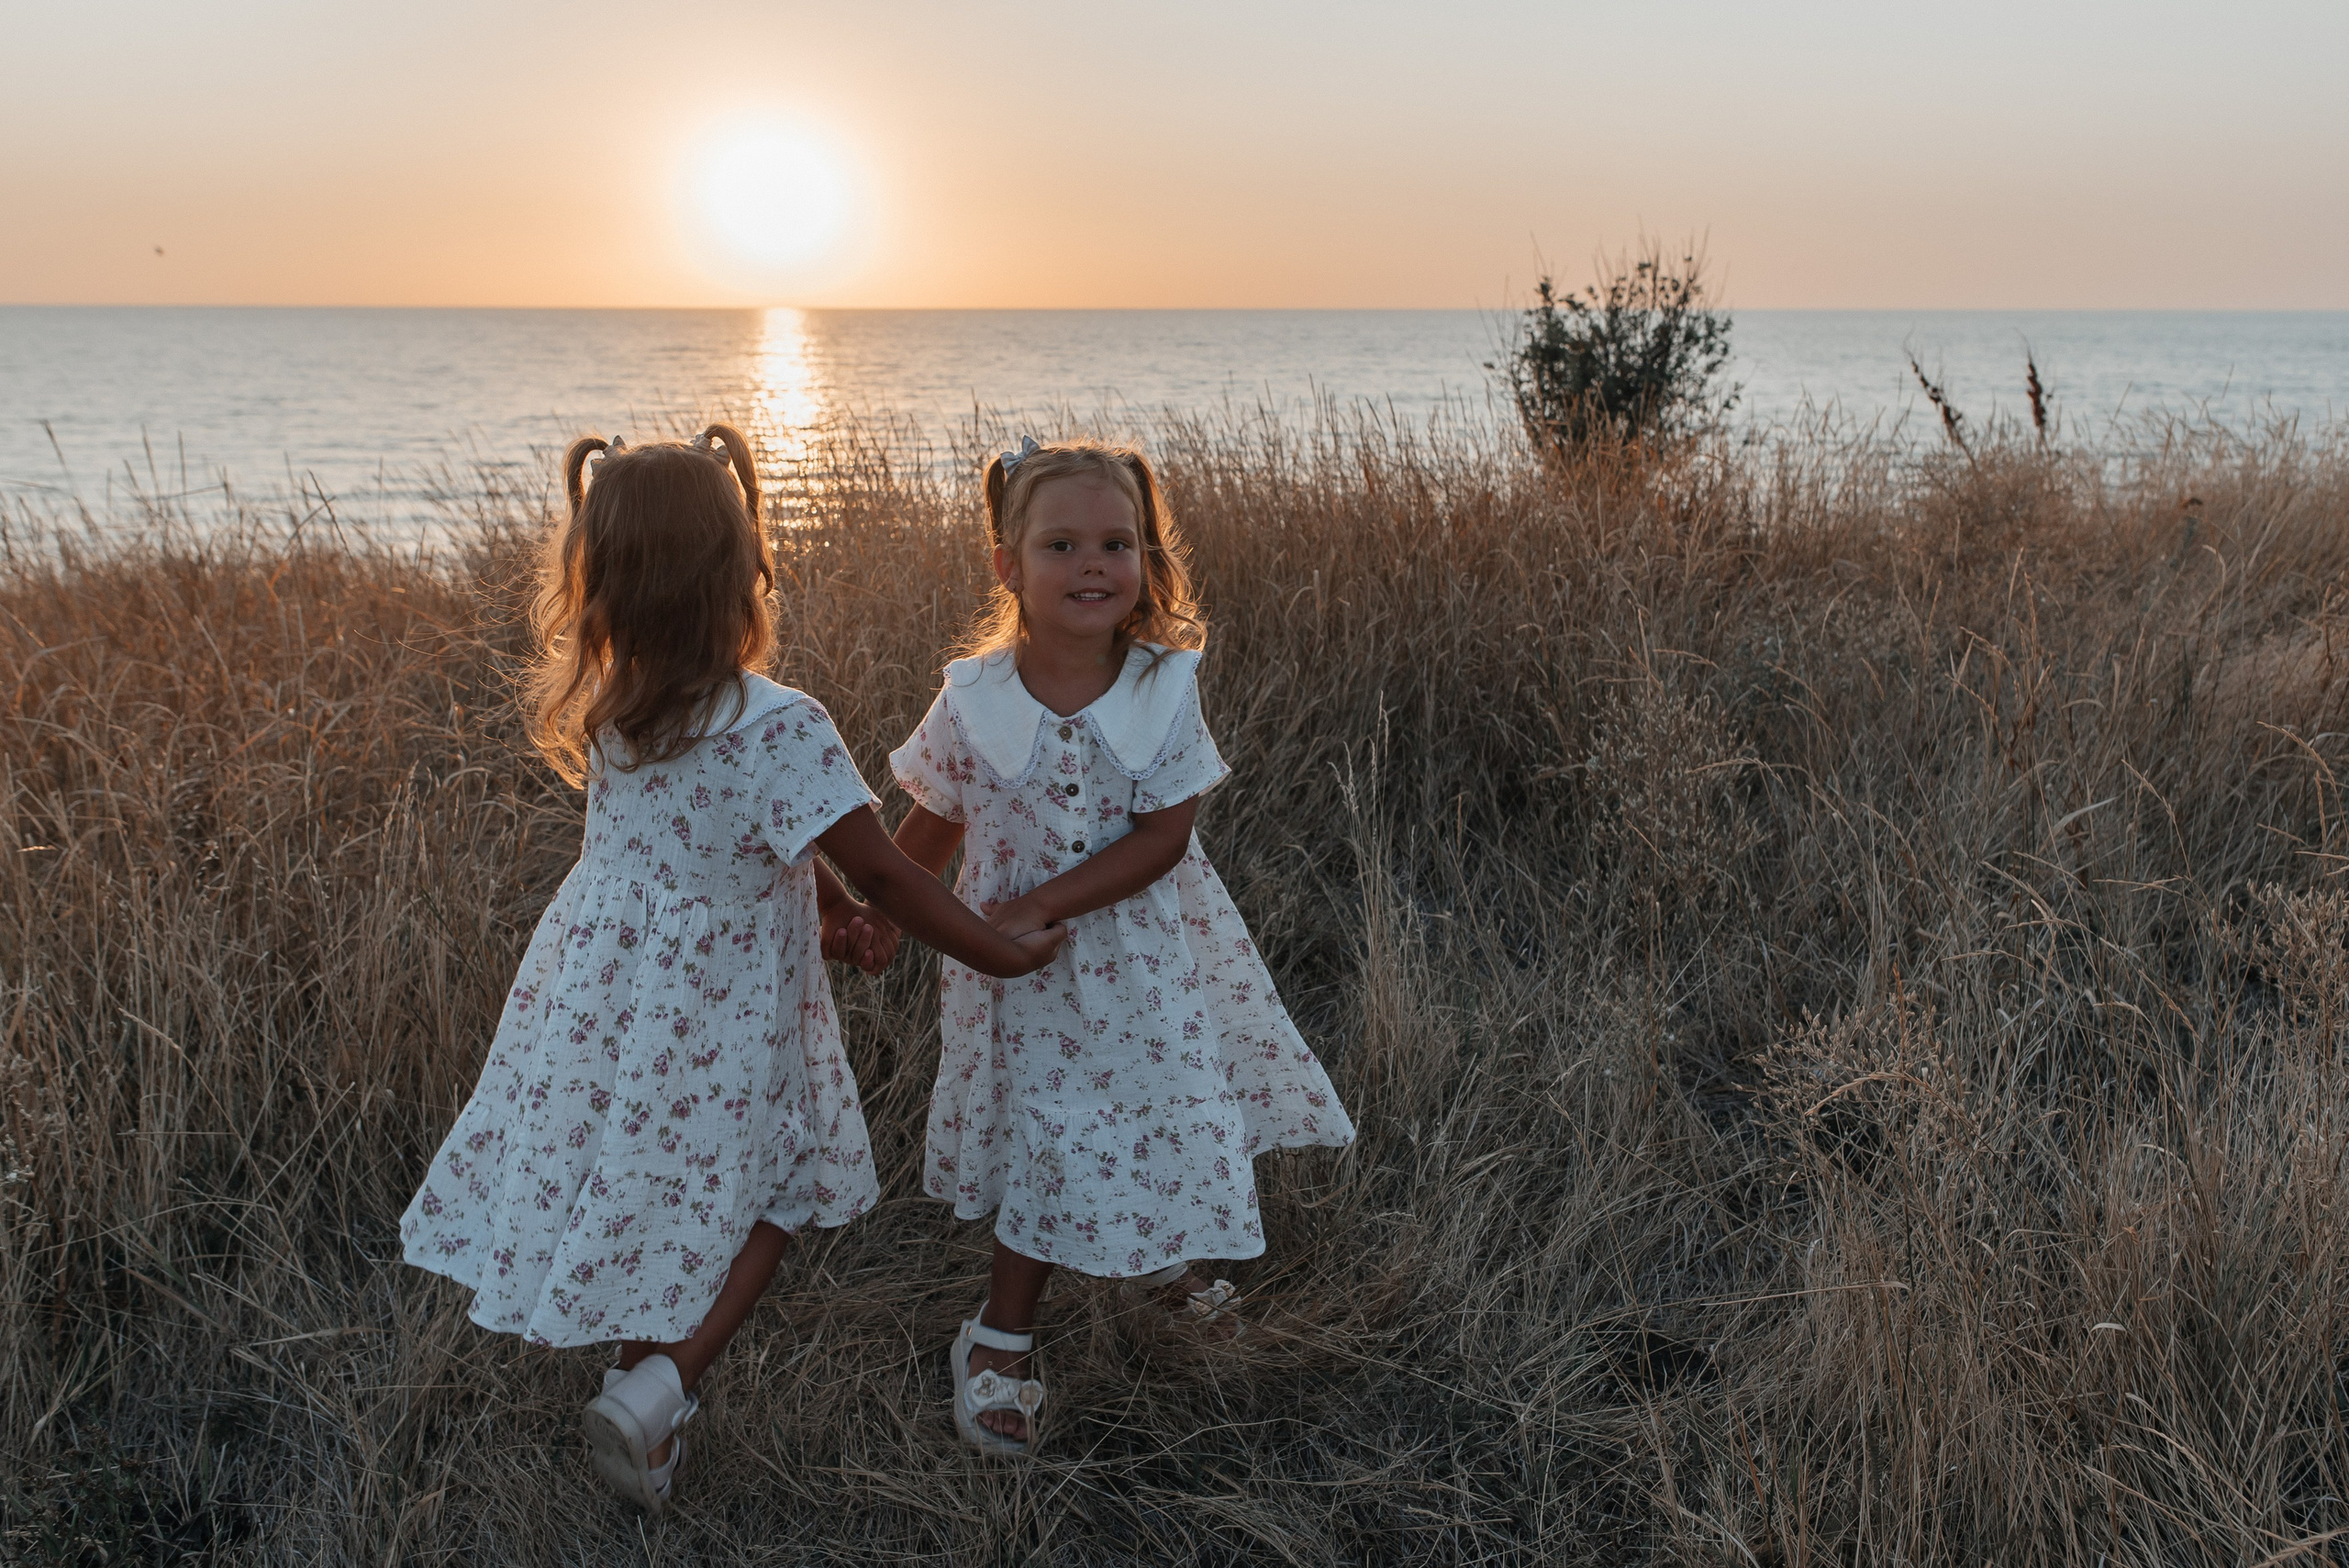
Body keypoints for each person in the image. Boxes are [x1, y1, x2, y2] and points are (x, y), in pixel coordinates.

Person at [398, 426, 1065, 1511]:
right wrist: (996, 947)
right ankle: (663, 1381)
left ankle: (639, 1397)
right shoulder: (779, 724)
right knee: (777, 1185)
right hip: (722, 1017)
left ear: (598, 584)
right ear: (745, 568)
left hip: (608, 1003)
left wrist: (834, 914)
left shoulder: (615, 710)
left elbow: (750, 849)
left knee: (651, 1188)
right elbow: (888, 876)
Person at [885, 436, 1354, 1453]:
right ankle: (999, 1337)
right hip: (1023, 975)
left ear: (1147, 557)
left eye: (1116, 542)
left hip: (1145, 961)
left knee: (1163, 1104)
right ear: (1008, 565)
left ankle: (1169, 1260)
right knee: (1048, 1134)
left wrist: (1038, 898)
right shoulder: (972, 698)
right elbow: (928, 824)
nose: (1091, 564)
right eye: (1060, 543)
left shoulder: (1159, 687)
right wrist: (878, 913)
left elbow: (1162, 836)